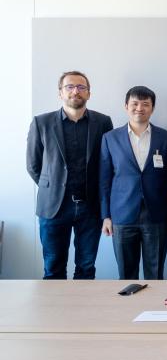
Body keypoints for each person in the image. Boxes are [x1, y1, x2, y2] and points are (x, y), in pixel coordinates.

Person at [26, 71, 113, 279]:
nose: (76, 91)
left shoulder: (103, 122)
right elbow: (33, 164)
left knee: (86, 268)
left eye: (81, 87)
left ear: (88, 93)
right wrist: (52, 187)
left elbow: (107, 164)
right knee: (53, 268)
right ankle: (54, 304)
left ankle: (81, 303)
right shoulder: (41, 122)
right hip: (53, 207)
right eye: (70, 87)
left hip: (90, 207)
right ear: (60, 93)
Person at [99, 86, 167, 280]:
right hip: (122, 214)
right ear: (126, 106)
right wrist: (106, 216)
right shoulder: (110, 138)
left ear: (152, 108)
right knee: (126, 275)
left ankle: (154, 301)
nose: (139, 108)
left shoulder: (166, 138)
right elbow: (104, 180)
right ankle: (128, 301)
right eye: (134, 103)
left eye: (145, 104)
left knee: (155, 273)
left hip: (157, 214)